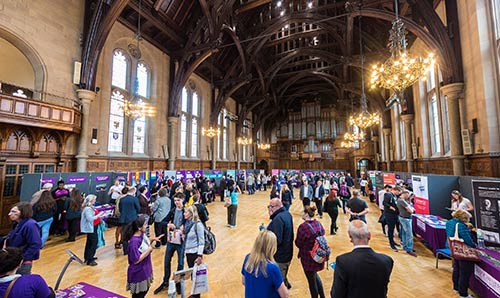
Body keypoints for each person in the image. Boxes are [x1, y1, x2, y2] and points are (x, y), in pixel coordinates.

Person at [330, 220, 394, 298]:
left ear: (350, 236)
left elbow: (337, 294)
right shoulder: (387, 260)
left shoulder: (343, 261)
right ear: (369, 235)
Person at [123, 214, 163, 298]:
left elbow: (143, 246)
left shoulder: (141, 236)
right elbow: (136, 259)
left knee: (145, 290)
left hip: (145, 269)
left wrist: (152, 240)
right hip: (138, 273)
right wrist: (149, 250)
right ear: (139, 227)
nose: (146, 226)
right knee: (139, 295)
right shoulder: (134, 242)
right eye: (145, 224)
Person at [154, 192, 186, 295]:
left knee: (180, 263)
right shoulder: (172, 211)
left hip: (181, 241)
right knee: (167, 261)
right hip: (172, 240)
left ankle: (178, 283)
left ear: (183, 200)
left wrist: (184, 227)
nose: (176, 202)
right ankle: (165, 282)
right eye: (175, 200)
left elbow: (191, 223)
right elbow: (163, 221)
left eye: (178, 200)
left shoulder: (186, 211)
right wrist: (169, 224)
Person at [241, 230, 289, 298]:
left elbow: (243, 281)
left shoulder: (248, 258)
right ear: (272, 248)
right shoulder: (272, 268)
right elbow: (284, 295)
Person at [2, 202, 42, 275]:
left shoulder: (30, 225)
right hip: (13, 260)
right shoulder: (16, 223)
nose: (9, 214)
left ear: (23, 212)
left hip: (22, 262)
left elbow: (36, 244)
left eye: (14, 212)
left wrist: (23, 258)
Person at [295, 206, 325, 298]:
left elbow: (298, 243)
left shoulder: (303, 227)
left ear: (307, 214)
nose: (301, 214)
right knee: (314, 275)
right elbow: (323, 233)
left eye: (302, 212)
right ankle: (322, 296)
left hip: (307, 257)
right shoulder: (318, 224)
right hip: (318, 255)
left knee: (311, 281)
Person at [446, 209, 476, 298]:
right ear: (463, 218)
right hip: (463, 252)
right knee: (464, 272)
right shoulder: (461, 225)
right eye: (467, 218)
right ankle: (463, 294)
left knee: (457, 269)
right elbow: (468, 240)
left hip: (455, 250)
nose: (468, 220)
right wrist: (475, 246)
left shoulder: (449, 222)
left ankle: (456, 288)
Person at [267, 198, 294, 290]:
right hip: (288, 252)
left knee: (278, 283)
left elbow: (276, 240)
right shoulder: (287, 214)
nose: (270, 209)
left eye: (271, 206)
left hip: (280, 256)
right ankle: (286, 284)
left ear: (278, 206)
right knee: (284, 272)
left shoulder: (278, 219)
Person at [183, 205, 205, 298]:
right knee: (193, 274)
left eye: (186, 212)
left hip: (195, 253)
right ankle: (194, 294)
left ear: (191, 214)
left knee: (196, 276)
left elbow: (201, 241)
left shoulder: (198, 225)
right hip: (188, 252)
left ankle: (196, 295)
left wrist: (199, 256)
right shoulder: (188, 223)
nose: (184, 214)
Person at [80, 194, 104, 266]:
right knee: (94, 242)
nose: (95, 201)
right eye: (94, 199)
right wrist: (99, 215)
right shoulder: (88, 209)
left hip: (94, 226)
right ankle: (90, 259)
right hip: (91, 227)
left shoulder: (90, 207)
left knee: (89, 242)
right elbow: (90, 218)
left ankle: (88, 257)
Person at [119, 187, 141, 254]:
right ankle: (133, 249)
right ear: (134, 192)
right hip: (132, 219)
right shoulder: (135, 199)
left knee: (124, 235)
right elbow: (138, 208)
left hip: (124, 219)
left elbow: (120, 209)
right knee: (133, 235)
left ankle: (125, 251)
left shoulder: (122, 199)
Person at [397, 190, 417, 257]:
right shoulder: (402, 201)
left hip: (403, 218)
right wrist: (412, 209)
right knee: (409, 235)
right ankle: (409, 249)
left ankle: (405, 247)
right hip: (406, 219)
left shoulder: (401, 200)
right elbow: (411, 211)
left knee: (404, 233)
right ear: (405, 194)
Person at [383, 186, 402, 252]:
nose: (399, 193)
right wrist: (391, 207)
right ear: (395, 190)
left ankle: (393, 242)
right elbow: (385, 203)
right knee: (391, 229)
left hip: (395, 214)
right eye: (398, 192)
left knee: (393, 228)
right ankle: (391, 244)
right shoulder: (388, 195)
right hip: (389, 214)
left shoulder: (395, 196)